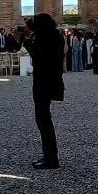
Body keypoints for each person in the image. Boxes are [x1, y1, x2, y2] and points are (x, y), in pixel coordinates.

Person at [23, 14, 65, 169]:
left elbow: (38, 57)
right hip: (52, 81)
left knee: (43, 119)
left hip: (43, 82)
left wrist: (27, 41)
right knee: (45, 118)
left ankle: (51, 158)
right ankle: (50, 155)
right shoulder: (56, 37)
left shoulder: (44, 38)